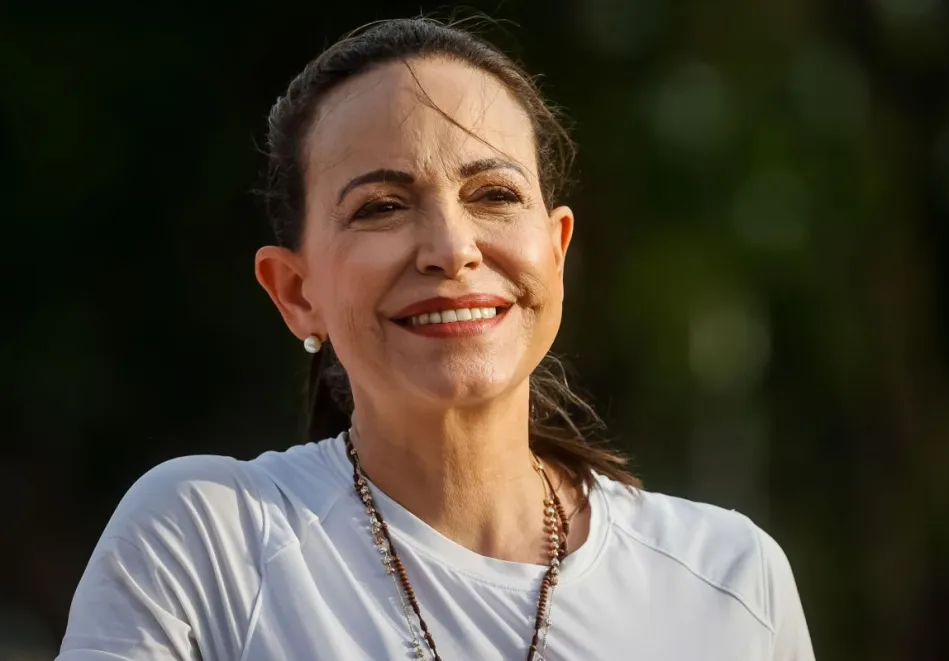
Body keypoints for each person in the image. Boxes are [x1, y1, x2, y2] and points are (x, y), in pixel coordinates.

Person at [57, 17, 815, 661]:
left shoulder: (727, 580)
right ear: (296, 292)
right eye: (381, 207)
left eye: (495, 195)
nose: (452, 250)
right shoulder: (207, 541)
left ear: (556, 252)